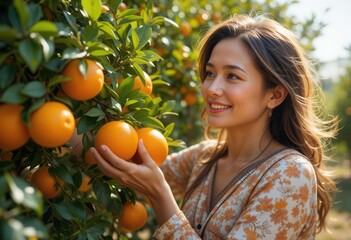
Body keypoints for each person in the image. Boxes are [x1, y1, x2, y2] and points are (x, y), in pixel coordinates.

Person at [91, 14, 338, 239]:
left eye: (232, 76)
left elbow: (155, 186)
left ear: (274, 95)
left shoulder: (290, 175)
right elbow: (123, 162)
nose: (212, 88)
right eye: (210, 73)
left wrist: (161, 197)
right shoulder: (205, 157)